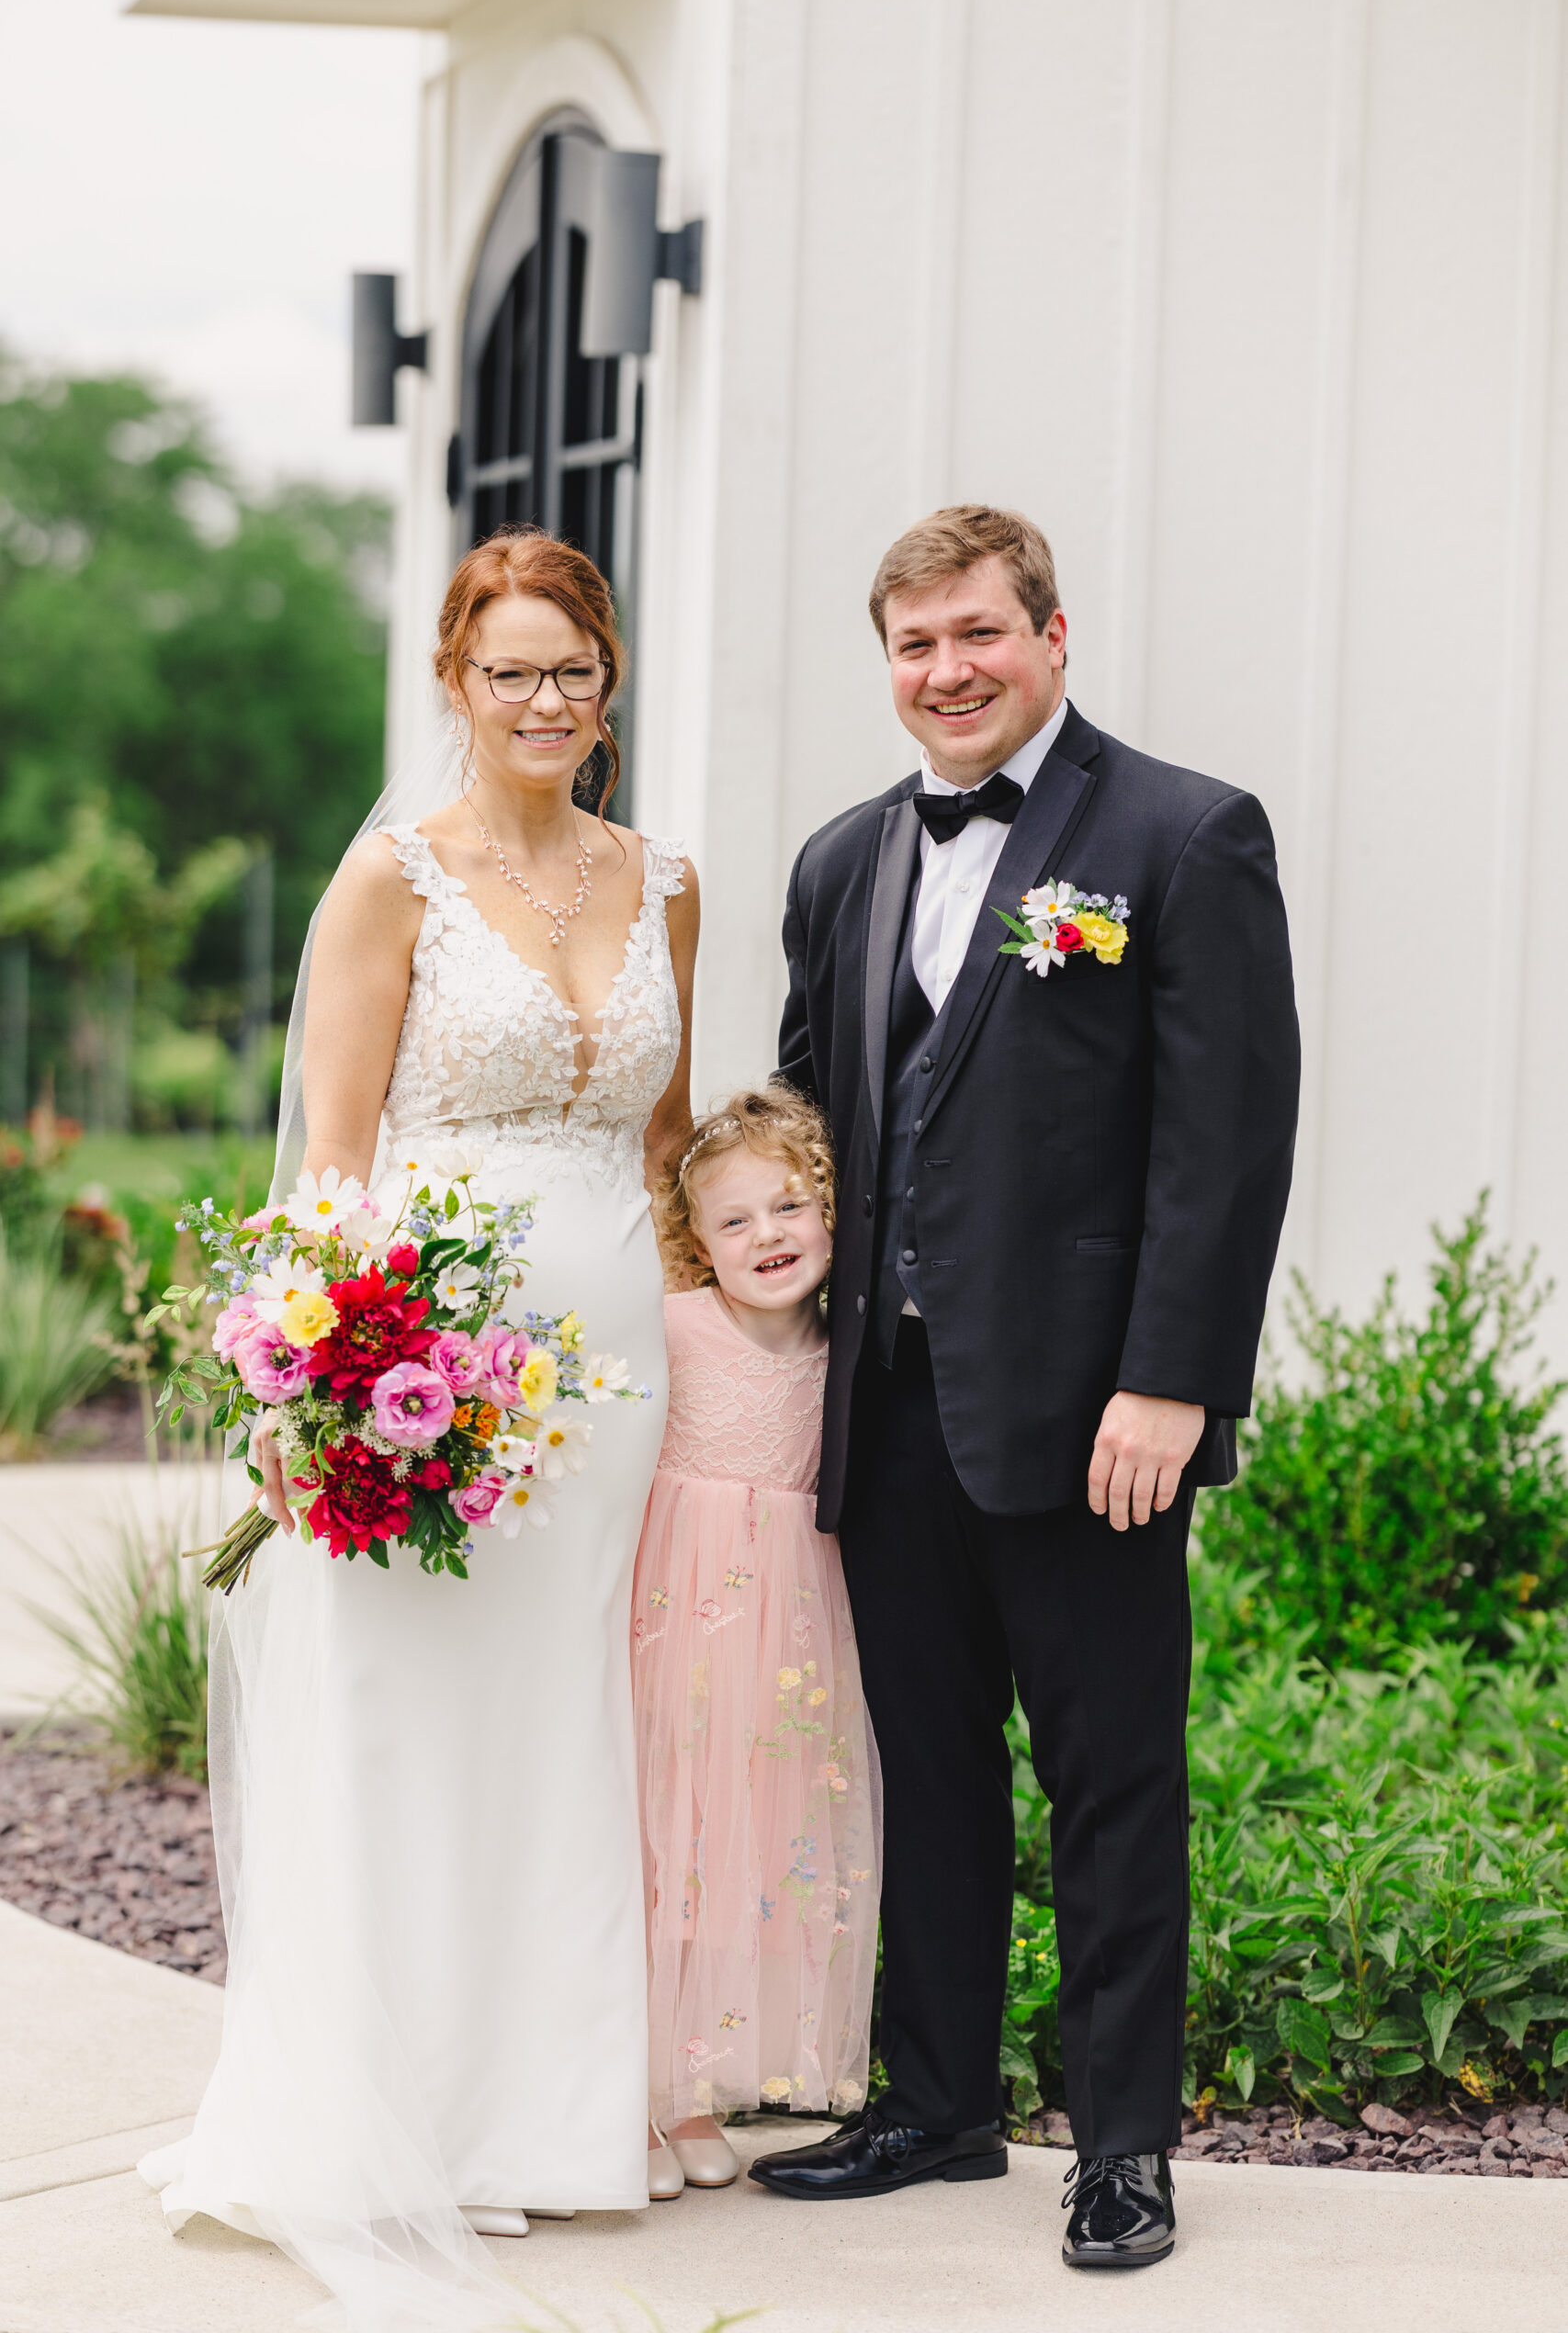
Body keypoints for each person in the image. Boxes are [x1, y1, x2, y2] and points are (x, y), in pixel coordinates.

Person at [141, 527, 698, 2327]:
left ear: (606, 682)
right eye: (508, 667)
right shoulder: (391, 880)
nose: (543, 699)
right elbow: (332, 1154)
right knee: (405, 1722)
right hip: (426, 1371)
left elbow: (663, 1148)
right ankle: (390, 2124)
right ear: (455, 682)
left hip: (610, 1381)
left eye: (572, 667)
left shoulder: (666, 880)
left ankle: (543, 2118)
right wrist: (327, 1379)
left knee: (558, 1722)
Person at [752, 504, 1298, 2268]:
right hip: (883, 1405)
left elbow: (1223, 1147)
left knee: (1110, 1782)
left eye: (978, 633)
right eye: (913, 646)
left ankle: (1123, 2145)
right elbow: (810, 1126)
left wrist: (1173, 1383)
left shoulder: (1179, 833)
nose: (947, 671)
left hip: (1091, 1418)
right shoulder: (842, 860)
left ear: (1051, 635)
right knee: (923, 1767)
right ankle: (937, 2102)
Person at [631, 1088, 879, 2201]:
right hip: (675, 1625)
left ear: (830, 1207)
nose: (768, 1235)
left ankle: (709, 2074)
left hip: (787, 1636)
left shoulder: (848, 1347)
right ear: (697, 1244)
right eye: (735, 1222)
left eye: (789, 1205)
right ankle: (648, 2094)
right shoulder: (671, 1326)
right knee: (662, 1837)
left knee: (753, 1853)